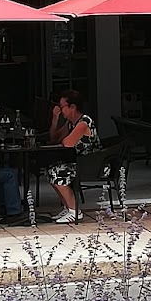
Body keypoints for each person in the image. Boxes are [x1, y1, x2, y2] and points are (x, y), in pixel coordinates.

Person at [47, 90, 102, 224]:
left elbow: (67, 143)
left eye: (62, 107)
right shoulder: (71, 123)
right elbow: (54, 138)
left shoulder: (84, 122)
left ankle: (75, 211)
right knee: (51, 170)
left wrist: (66, 136)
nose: (60, 110)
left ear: (72, 107)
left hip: (95, 164)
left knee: (57, 172)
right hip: (81, 163)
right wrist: (55, 119)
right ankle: (67, 206)